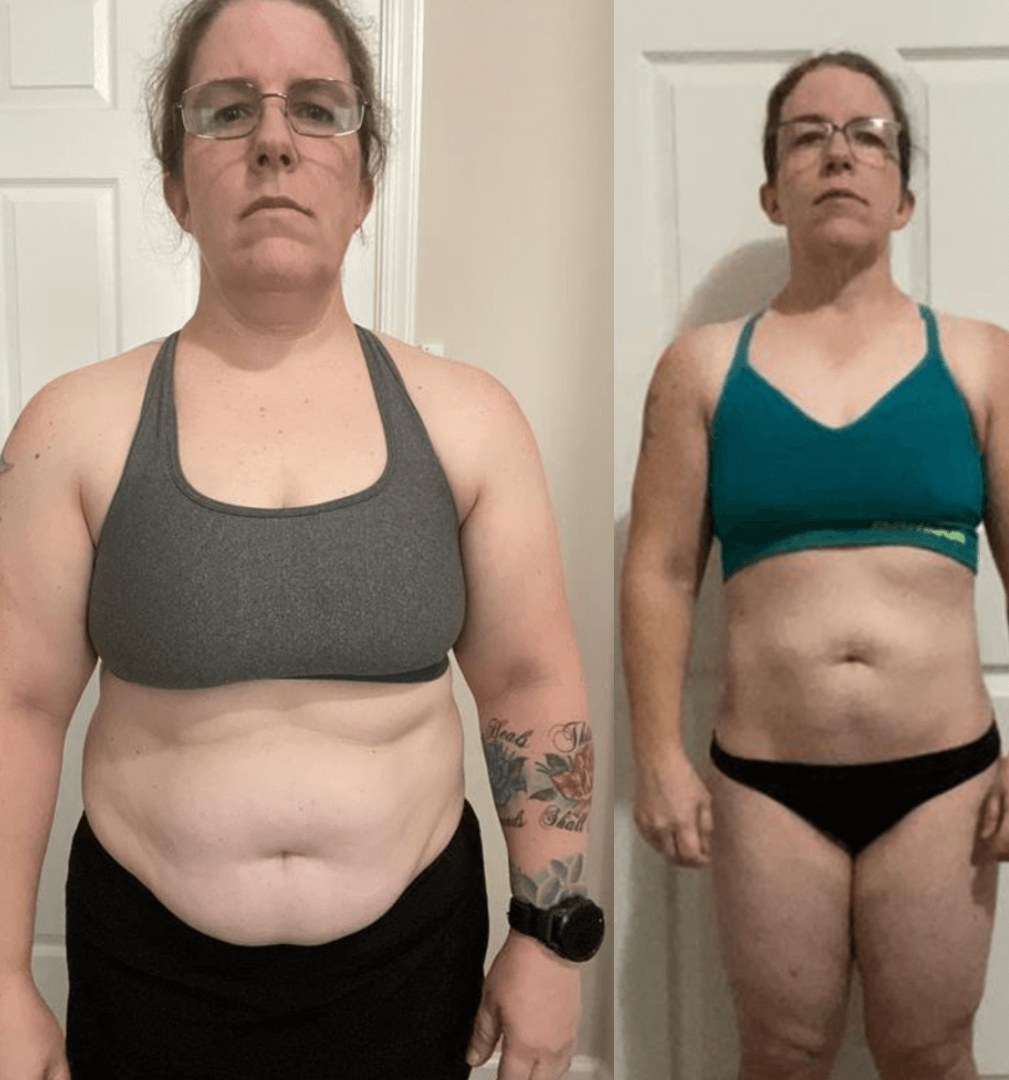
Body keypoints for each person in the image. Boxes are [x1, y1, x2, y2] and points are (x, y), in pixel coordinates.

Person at [0, 1, 604, 1077]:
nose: (274, 140)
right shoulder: (68, 430)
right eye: (228, 109)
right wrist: (0, 978)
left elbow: (529, 686)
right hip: (151, 982)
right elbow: (17, 709)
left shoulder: (472, 421)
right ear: (177, 184)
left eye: (318, 110)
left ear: (364, 184)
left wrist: (549, 937)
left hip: (410, 975)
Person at [621, 50, 1009, 1080]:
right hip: (766, 786)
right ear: (771, 189)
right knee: (781, 1054)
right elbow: (658, 572)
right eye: (808, 136)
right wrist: (657, 758)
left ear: (904, 197)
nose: (839, 154)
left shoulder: (983, 360)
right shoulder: (701, 369)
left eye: (869, 135)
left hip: (946, 783)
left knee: (931, 1053)